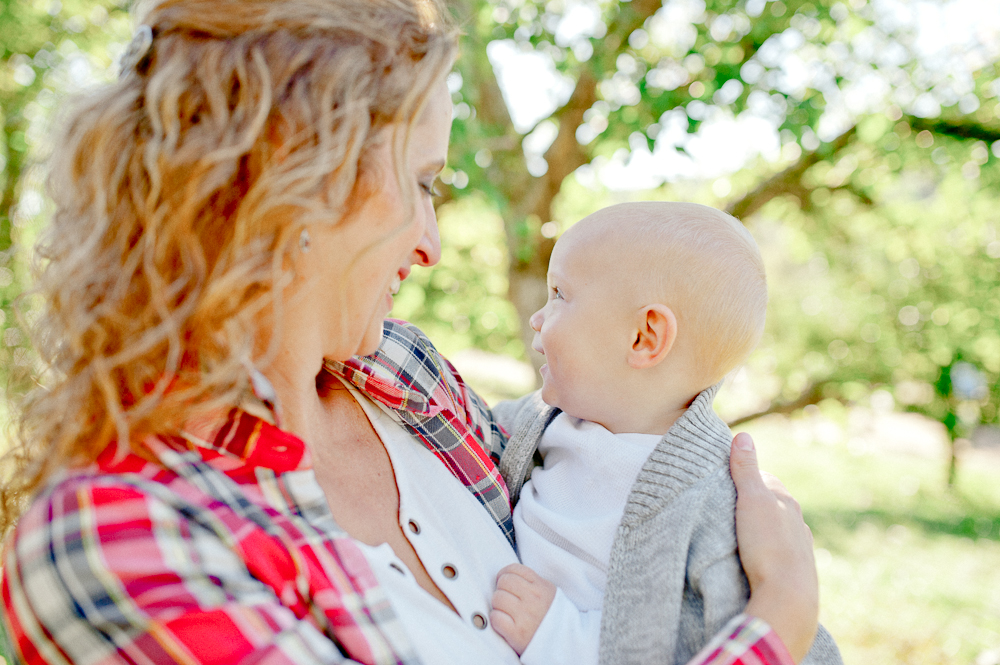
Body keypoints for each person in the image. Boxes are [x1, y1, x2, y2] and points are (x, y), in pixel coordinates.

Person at [0, 1, 819, 663]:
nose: (430, 243)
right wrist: (775, 628)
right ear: (297, 178)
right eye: (421, 182)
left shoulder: (404, 376)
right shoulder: (119, 538)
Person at [489, 202, 841, 665]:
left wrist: (561, 635)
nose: (537, 317)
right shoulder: (547, 417)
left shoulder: (711, 506)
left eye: (559, 294)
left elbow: (721, 646)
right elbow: (470, 425)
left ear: (644, 336)